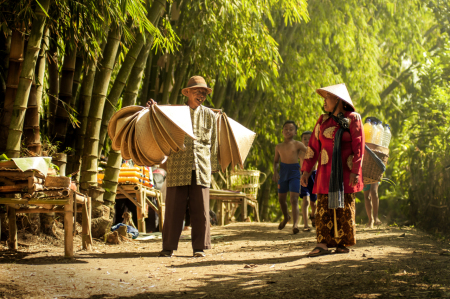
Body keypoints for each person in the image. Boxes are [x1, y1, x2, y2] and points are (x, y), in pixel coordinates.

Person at [153, 76, 219, 258]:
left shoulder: (210, 115)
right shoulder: (175, 114)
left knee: (201, 210)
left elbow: (214, 142)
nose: (201, 95)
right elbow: (159, 125)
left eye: (204, 93)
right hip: (178, 165)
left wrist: (213, 166)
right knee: (174, 208)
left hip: (202, 166)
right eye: (197, 91)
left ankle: (199, 247)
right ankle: (168, 247)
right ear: (187, 92)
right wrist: (153, 109)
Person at [301, 83, 364, 257]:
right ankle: (322, 244)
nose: (324, 101)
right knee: (322, 208)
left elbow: (359, 148)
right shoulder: (322, 121)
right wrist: (306, 171)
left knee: (344, 208)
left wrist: (356, 171)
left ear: (338, 100)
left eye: (327, 97)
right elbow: (313, 147)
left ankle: (342, 243)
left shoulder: (353, 118)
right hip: (324, 174)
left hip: (346, 173)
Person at [272, 121, 307, 234]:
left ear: (295, 132)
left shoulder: (298, 144)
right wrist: (275, 172)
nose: (288, 131)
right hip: (283, 172)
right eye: (286, 129)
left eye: (291, 129)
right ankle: (286, 217)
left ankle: (295, 225)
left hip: (294, 173)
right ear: (282, 131)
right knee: (281, 200)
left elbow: (310, 153)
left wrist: (306, 167)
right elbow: (276, 161)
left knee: (294, 199)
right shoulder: (279, 146)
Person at [299, 131, 317, 232]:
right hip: (303, 177)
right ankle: (306, 224)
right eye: (304, 138)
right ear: (301, 141)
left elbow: (314, 165)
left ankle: (313, 215)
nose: (307, 140)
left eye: (309, 138)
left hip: (314, 176)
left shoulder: (315, 151)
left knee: (313, 203)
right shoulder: (300, 152)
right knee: (305, 200)